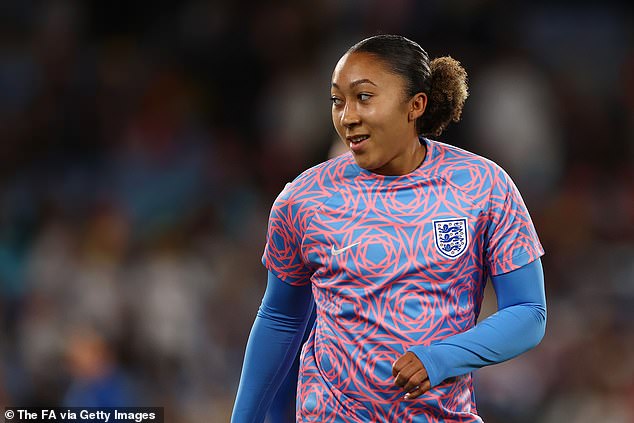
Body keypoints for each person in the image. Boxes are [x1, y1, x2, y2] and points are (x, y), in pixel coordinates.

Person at [231, 34, 546, 422]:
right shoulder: (303, 199)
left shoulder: (483, 186)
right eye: (337, 100)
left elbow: (529, 311)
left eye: (364, 97)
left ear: (415, 105)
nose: (347, 116)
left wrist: (442, 358)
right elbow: (281, 318)